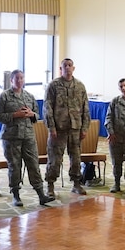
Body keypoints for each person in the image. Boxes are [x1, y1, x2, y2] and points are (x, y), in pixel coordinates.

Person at [0, 69, 54, 207]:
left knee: (33, 164)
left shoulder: (29, 96)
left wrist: (31, 114)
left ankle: (41, 195)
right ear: (11, 80)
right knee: (15, 166)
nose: (19, 80)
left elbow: (37, 116)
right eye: (17, 78)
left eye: (22, 78)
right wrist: (15, 115)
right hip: (11, 137)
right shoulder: (4, 97)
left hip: (28, 136)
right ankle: (16, 195)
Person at [44, 58, 90, 197]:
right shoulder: (53, 85)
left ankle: (76, 183)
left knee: (76, 158)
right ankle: (50, 185)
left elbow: (85, 108)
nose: (68, 68)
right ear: (61, 68)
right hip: (59, 129)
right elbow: (47, 108)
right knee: (55, 159)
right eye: (65, 66)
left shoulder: (80, 86)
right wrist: (51, 127)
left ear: (73, 68)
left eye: (70, 65)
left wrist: (85, 128)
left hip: (75, 128)